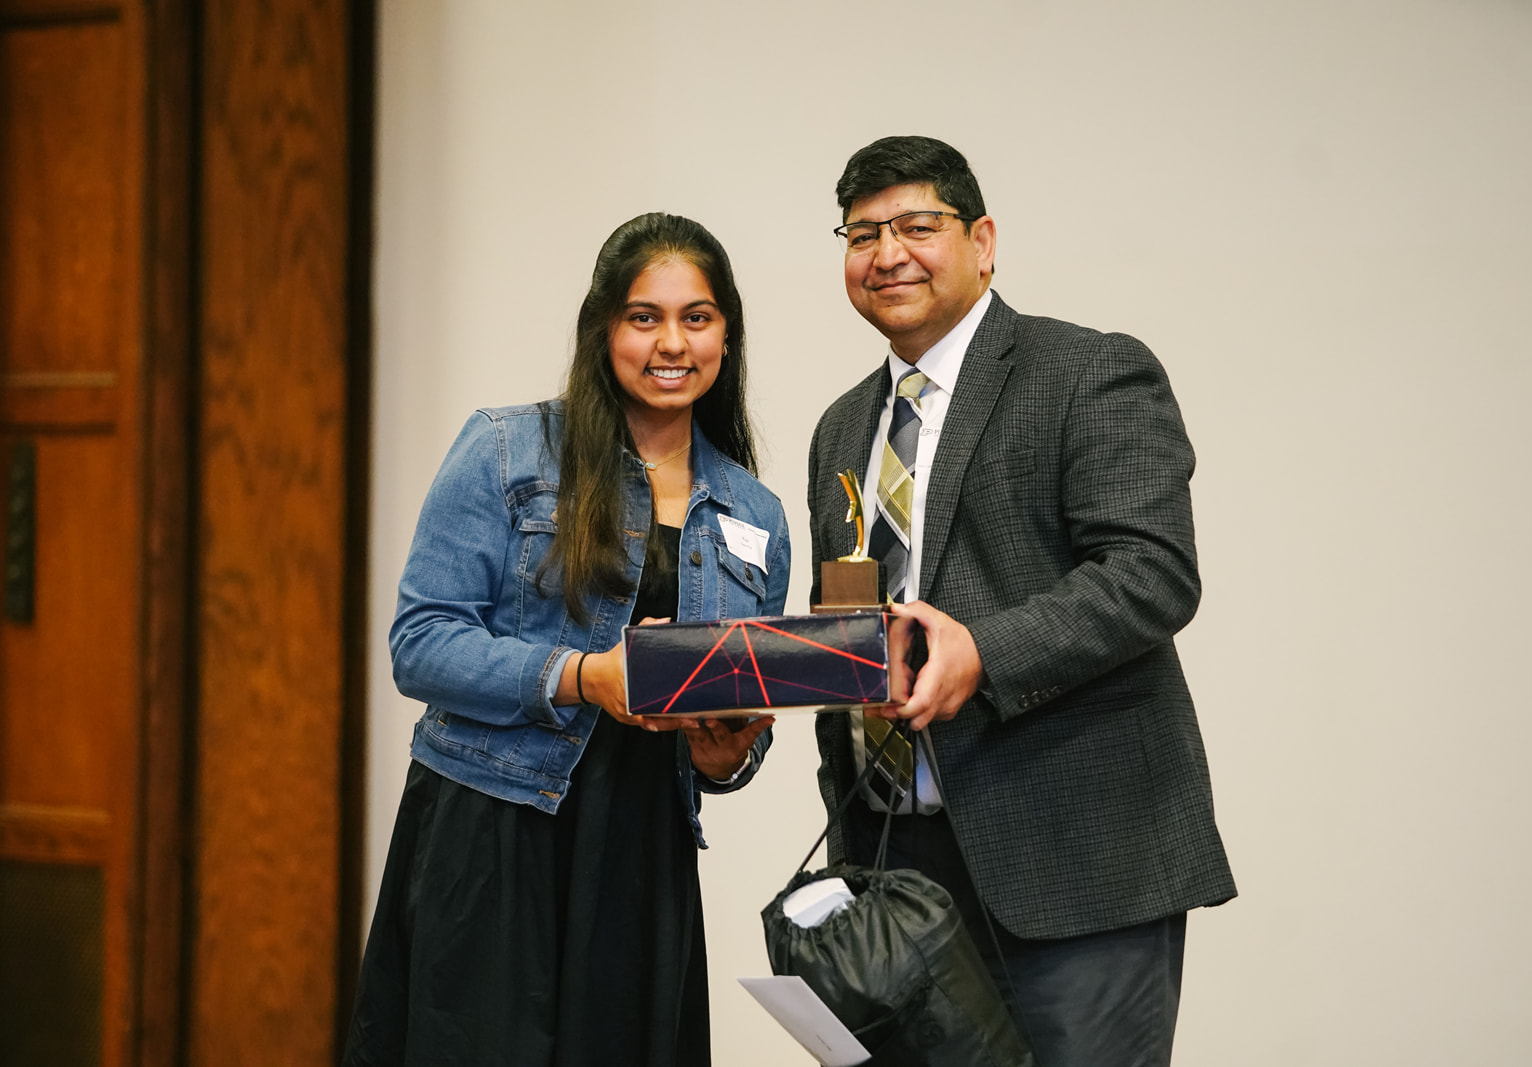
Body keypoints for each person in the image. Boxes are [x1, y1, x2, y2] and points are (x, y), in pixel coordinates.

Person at [808, 136, 1235, 1066]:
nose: (889, 253)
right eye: (863, 232)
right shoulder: (842, 426)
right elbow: (847, 623)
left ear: (983, 240)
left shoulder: (1085, 371)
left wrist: (985, 653)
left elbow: (1152, 571)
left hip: (1074, 864)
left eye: (919, 225)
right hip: (893, 874)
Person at [346, 213, 790, 1066]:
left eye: (696, 318)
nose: (672, 342)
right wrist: (586, 675)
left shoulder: (754, 513)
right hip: (493, 833)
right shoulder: (508, 448)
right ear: (603, 330)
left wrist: (723, 746)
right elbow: (421, 641)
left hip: (642, 856)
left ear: (726, 335)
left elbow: (734, 745)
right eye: (643, 316)